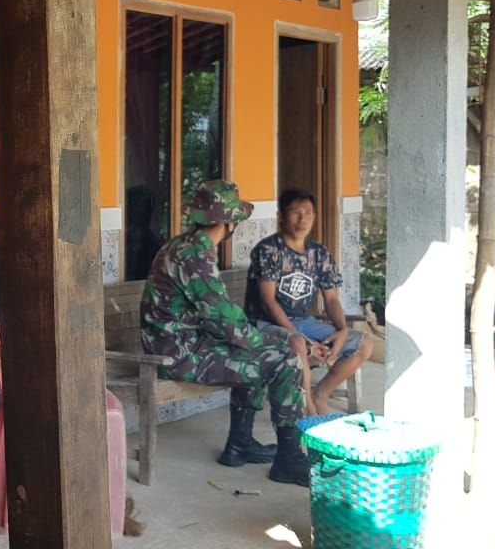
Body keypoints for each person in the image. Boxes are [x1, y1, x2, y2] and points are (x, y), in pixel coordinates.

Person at [141, 180, 311, 487]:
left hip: (177, 345)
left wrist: (256, 339)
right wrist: (267, 340)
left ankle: (239, 445)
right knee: (285, 359)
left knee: (255, 351)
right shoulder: (194, 256)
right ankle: (289, 460)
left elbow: (221, 319)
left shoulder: (183, 246)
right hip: (177, 355)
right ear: (230, 223)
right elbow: (226, 322)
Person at [245, 189, 373, 415]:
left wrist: (342, 331)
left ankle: (320, 394)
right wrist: (304, 340)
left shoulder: (319, 253)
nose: (302, 219)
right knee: (297, 345)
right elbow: (268, 303)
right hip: (265, 324)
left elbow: (331, 299)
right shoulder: (268, 250)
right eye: (295, 212)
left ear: (314, 216)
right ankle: (311, 414)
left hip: (304, 322)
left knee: (364, 343)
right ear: (281, 216)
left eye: (308, 213)